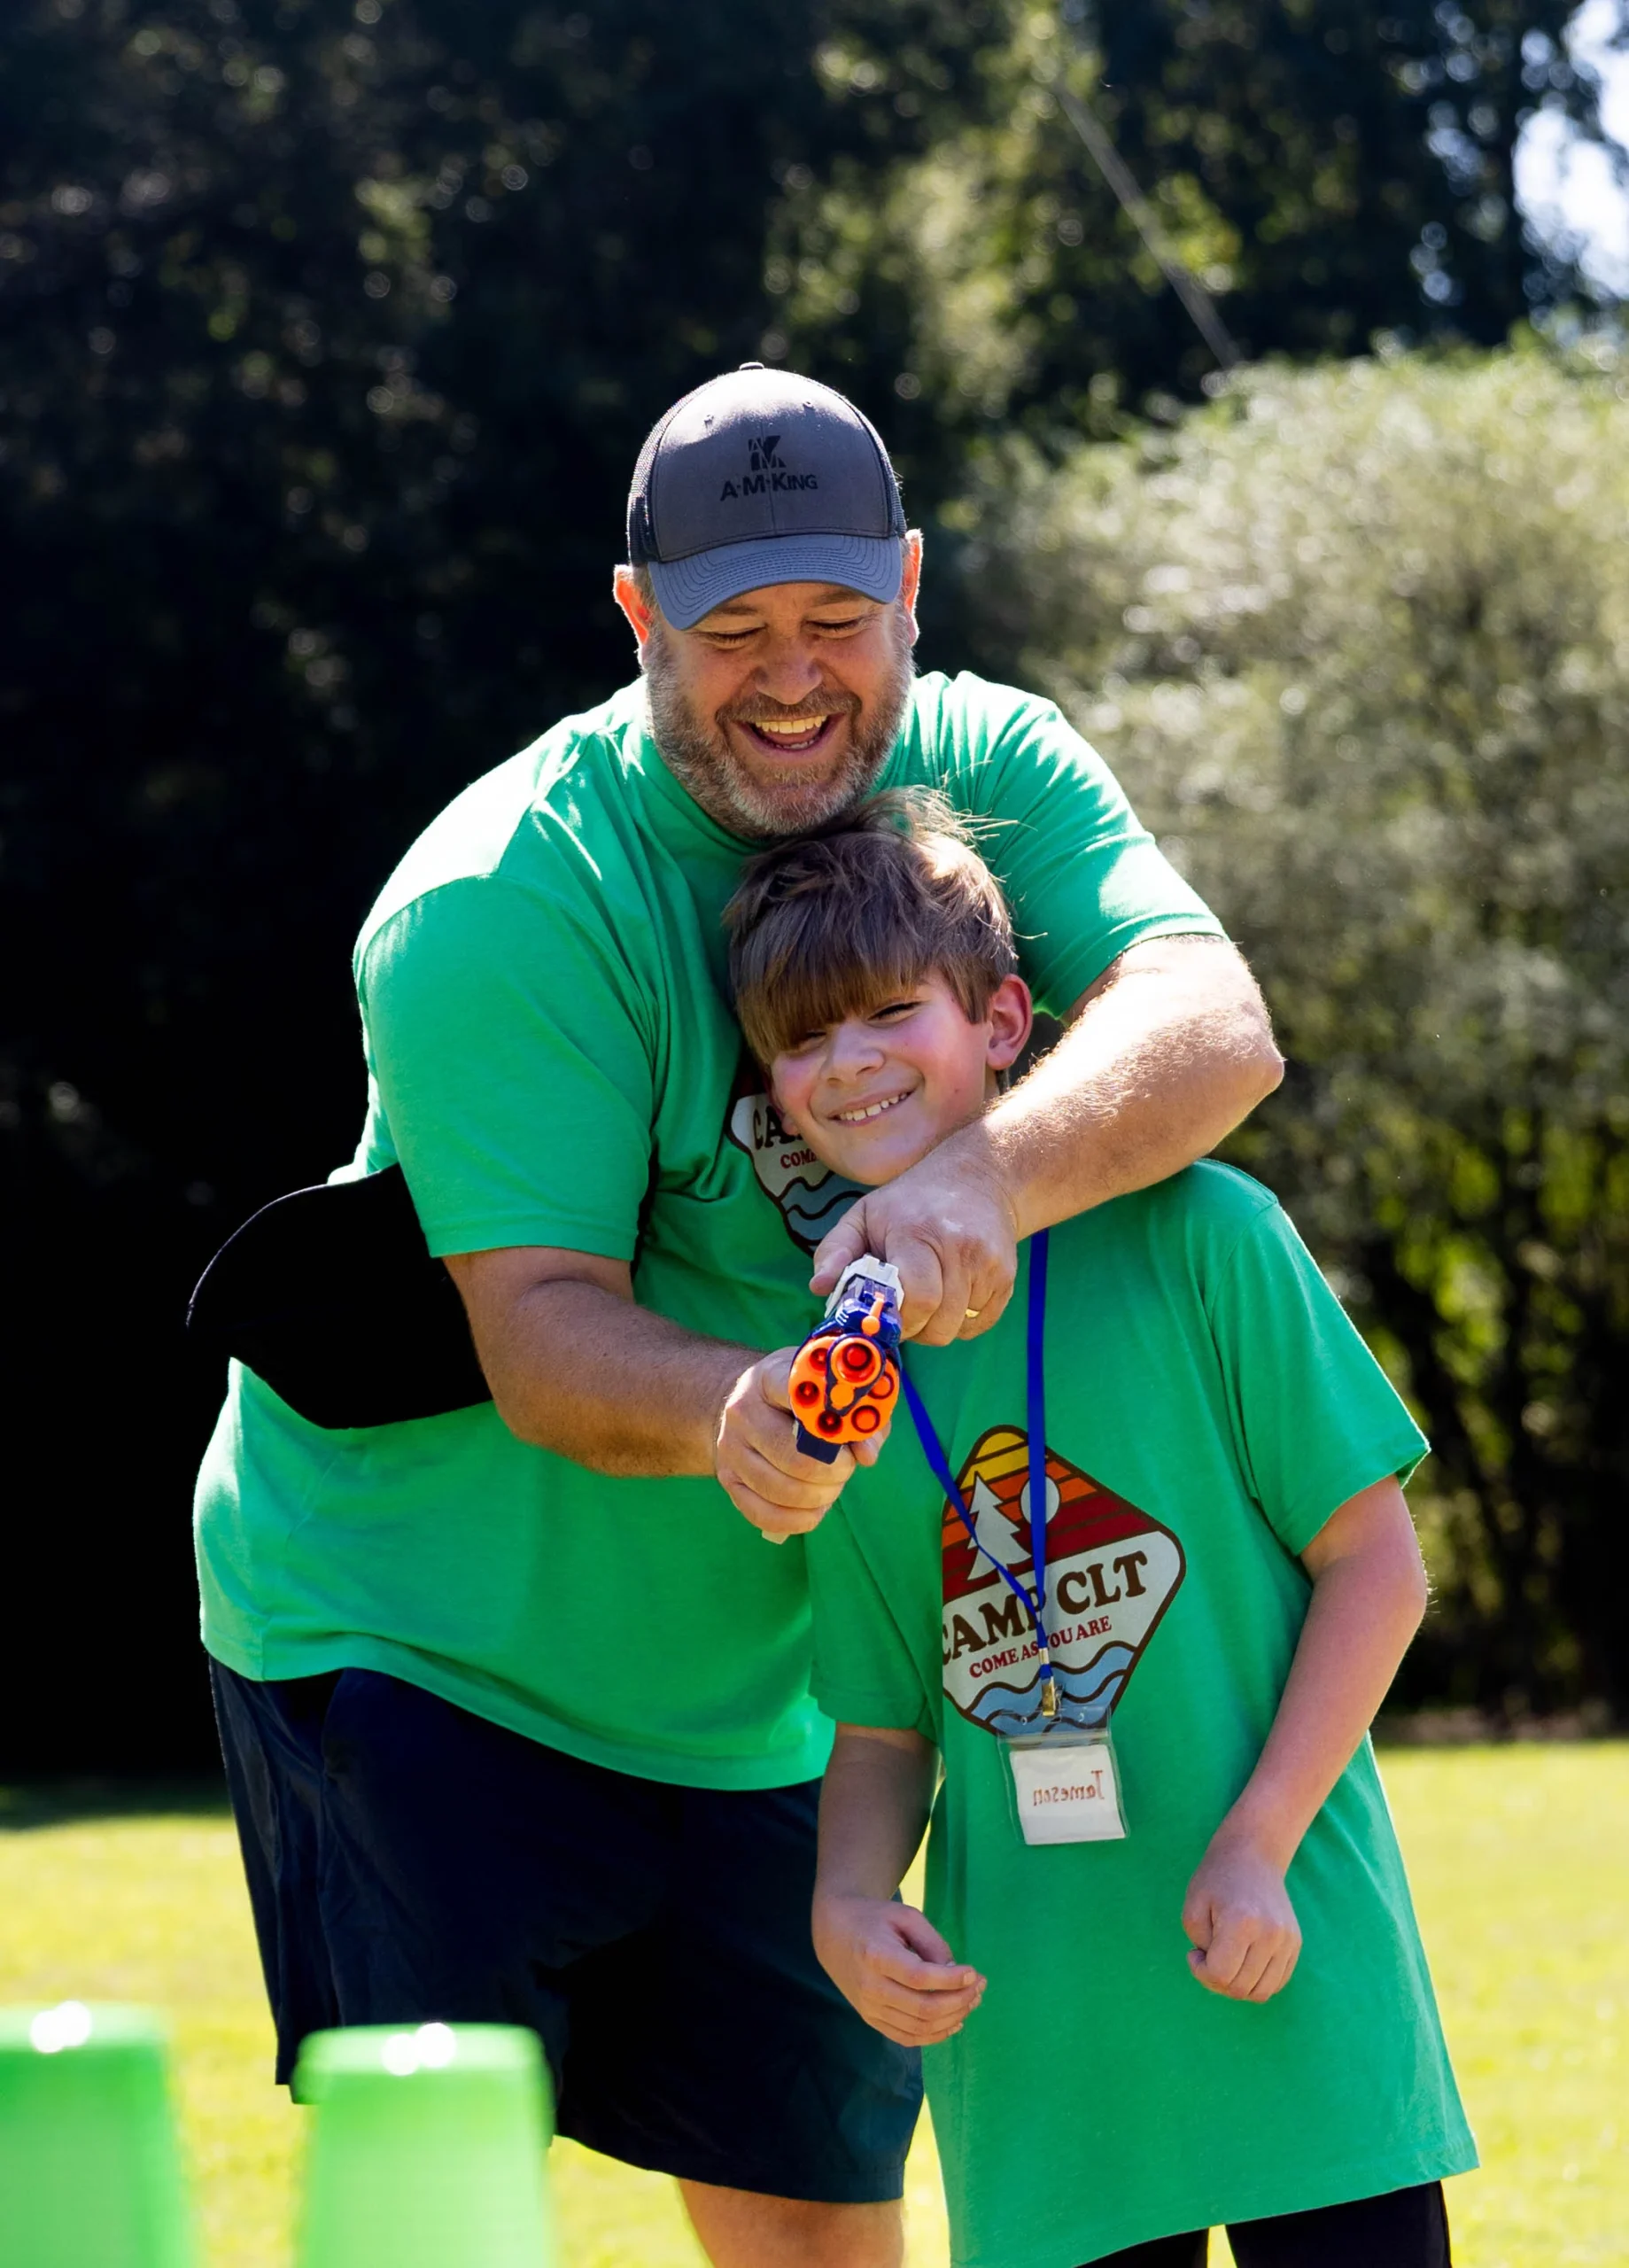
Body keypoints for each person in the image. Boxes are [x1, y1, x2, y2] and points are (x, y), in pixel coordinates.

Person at [194, 364, 1284, 2268]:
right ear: (637, 625)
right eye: (734, 632)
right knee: (433, 2214)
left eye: (836, 620)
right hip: (409, 1641)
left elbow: (1214, 1025)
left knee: (817, 2232)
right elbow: (540, 1330)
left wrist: (978, 1179)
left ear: (911, 590)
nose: (796, 679)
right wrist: (741, 1406)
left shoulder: (995, 767)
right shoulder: (502, 899)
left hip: (762, 1693)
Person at [720, 793, 1476, 2268]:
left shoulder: (1206, 1235)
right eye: (804, 1039)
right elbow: (884, 1727)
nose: (851, 1061)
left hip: (1281, 1964)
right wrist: (844, 1902)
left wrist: (1257, 1842)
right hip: (1039, 2040)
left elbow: (1375, 1566)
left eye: (889, 1011)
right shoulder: (836, 1371)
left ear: (1004, 1021)